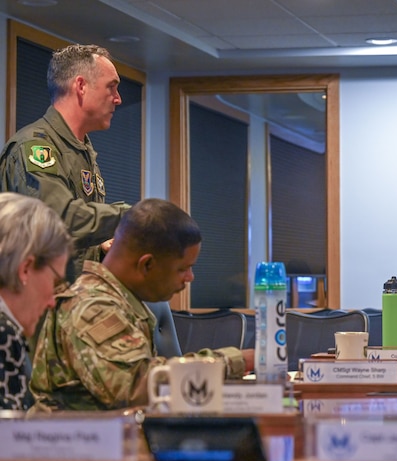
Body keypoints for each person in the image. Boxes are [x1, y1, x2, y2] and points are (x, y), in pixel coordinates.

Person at [29, 198, 254, 412]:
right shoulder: (92, 307)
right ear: (147, 264)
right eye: (182, 269)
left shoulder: (118, 299)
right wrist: (236, 362)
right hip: (71, 448)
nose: (190, 278)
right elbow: (138, 387)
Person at [0, 44, 129, 282]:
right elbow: (58, 222)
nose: (118, 99)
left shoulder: (82, 150)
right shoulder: (36, 148)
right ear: (81, 86)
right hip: (34, 308)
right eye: (111, 87)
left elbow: (71, 242)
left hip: (74, 302)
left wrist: (99, 248)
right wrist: (130, 217)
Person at [0, 194, 71, 410]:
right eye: (54, 280)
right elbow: (10, 440)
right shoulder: (4, 334)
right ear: (26, 269)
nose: (52, 301)